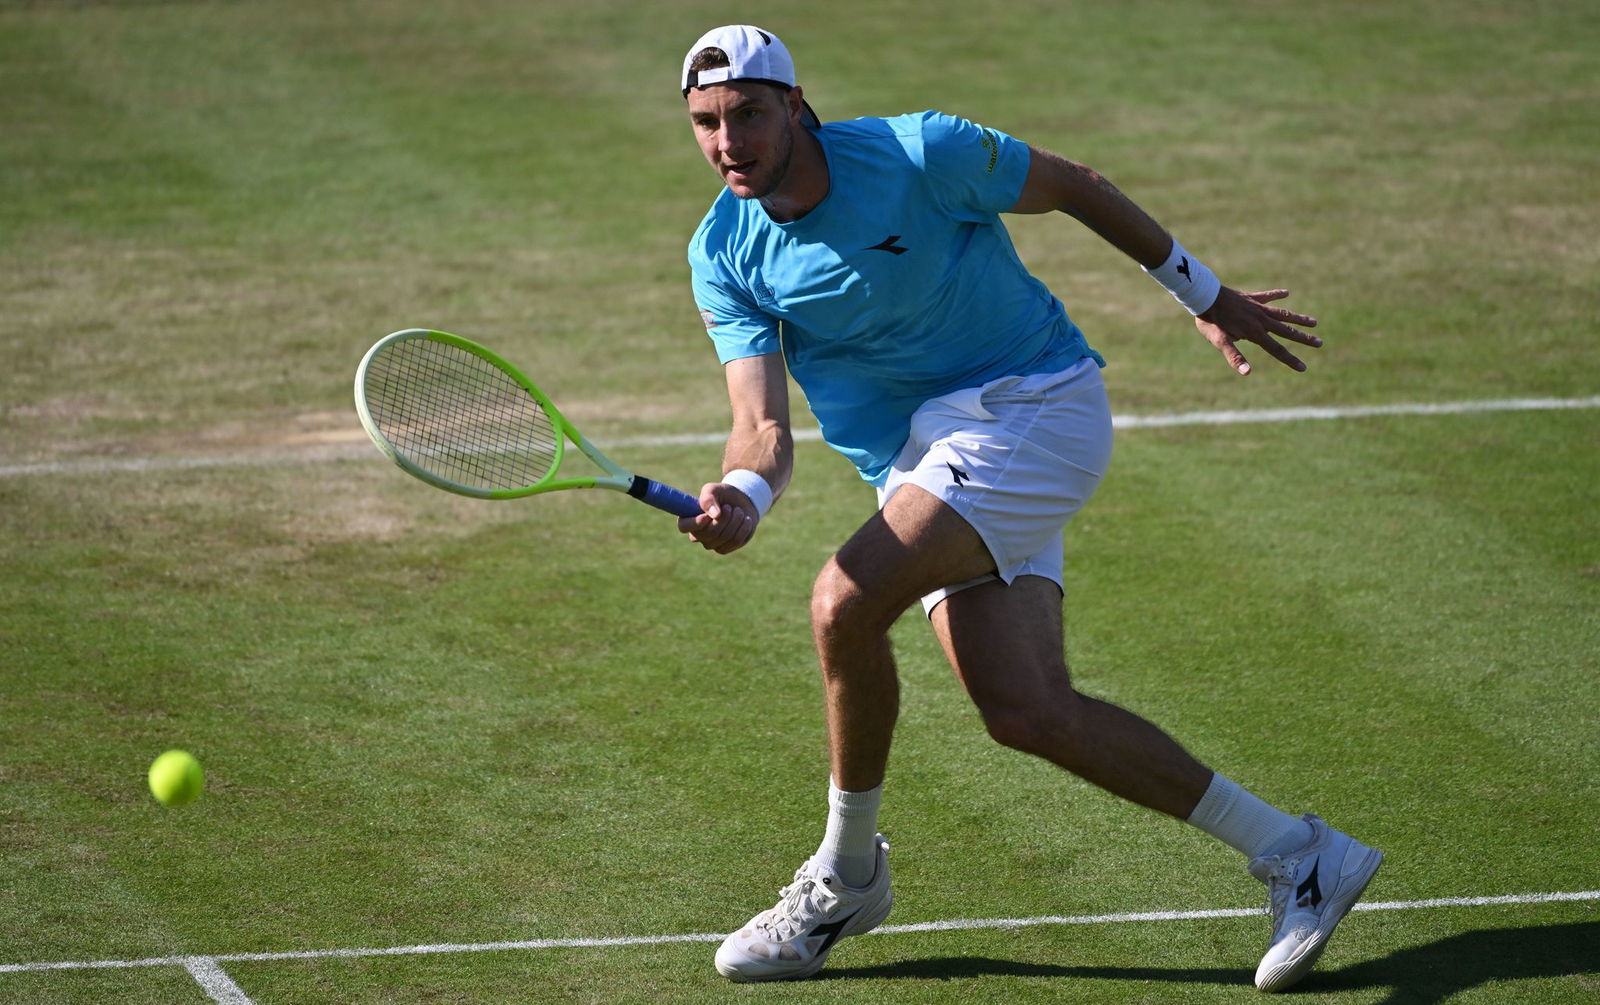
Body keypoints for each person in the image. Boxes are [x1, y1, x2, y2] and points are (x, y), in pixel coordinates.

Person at [675, 24, 1382, 992]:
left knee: (842, 601)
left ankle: (844, 878)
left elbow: (1075, 186)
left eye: (747, 114)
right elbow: (760, 430)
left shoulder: (922, 152)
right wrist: (744, 495)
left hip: (1031, 407)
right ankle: (1301, 855)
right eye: (707, 123)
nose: (728, 142)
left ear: (795, 106)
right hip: (924, 460)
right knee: (1026, 711)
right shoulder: (721, 250)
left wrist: (1202, 293)